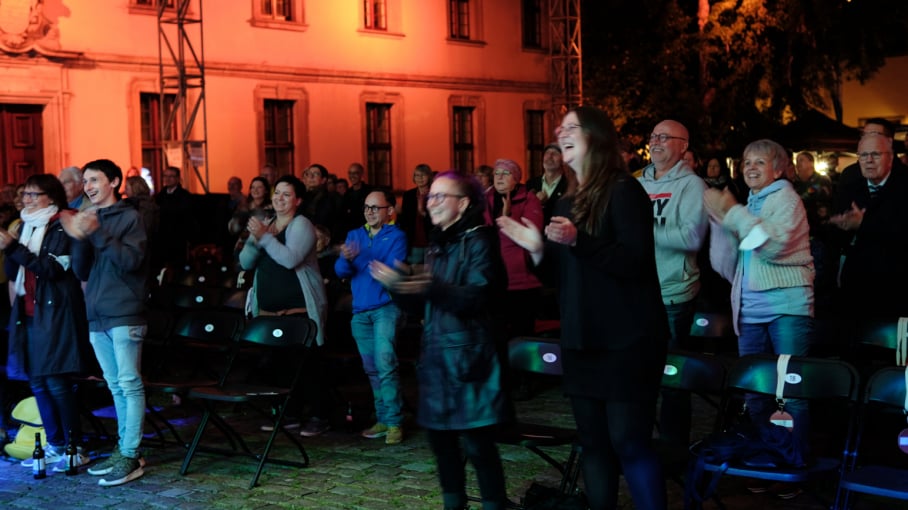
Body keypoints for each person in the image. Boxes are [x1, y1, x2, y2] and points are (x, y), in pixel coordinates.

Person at [497, 106, 670, 510]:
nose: (562, 132)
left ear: (595, 137)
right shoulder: (564, 204)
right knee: (592, 444)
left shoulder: (625, 192)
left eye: (572, 126)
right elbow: (564, 280)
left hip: (627, 340)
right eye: (562, 128)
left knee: (629, 442)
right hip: (582, 339)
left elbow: (636, 262)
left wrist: (580, 242)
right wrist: (539, 249)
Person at [371, 170, 510, 510]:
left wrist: (427, 286)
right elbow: (428, 303)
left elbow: (477, 298)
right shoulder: (438, 243)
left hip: (470, 359)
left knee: (478, 447)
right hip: (437, 357)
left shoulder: (479, 240)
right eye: (429, 197)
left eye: (439, 197)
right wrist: (400, 287)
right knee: (443, 449)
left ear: (463, 204)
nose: (430, 203)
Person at [704, 139, 814, 500]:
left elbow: (774, 246)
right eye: (746, 161)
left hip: (787, 308)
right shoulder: (749, 204)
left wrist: (732, 212)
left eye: (760, 162)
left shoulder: (786, 199)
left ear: (779, 169)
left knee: (791, 395)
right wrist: (719, 222)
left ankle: (793, 468)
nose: (750, 167)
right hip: (750, 310)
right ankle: (770, 460)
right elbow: (726, 265)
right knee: (756, 394)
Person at [61, 158, 149, 486]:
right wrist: (81, 238)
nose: (88, 187)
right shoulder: (92, 218)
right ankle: (126, 449)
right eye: (85, 181)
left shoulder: (130, 217)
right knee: (114, 385)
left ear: (114, 182)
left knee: (129, 382)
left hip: (124, 311)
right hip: (96, 313)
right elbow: (82, 271)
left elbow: (130, 261)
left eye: (95, 180)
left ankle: (131, 453)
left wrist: (97, 233)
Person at [1, 174, 91, 472]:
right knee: (38, 380)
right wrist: (9, 250)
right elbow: (16, 268)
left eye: (32, 195)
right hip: (27, 312)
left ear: (50, 197)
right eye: (24, 194)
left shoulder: (62, 223)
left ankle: (74, 446)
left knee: (55, 380)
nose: (25, 200)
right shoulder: (26, 224)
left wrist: (14, 247)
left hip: (55, 312)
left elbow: (51, 269)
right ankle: (54, 443)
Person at [239, 175, 330, 436]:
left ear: (298, 200)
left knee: (305, 366)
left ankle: (317, 415)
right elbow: (245, 263)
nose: (279, 198)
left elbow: (290, 259)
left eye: (286, 194)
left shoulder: (302, 225)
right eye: (277, 193)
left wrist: (265, 238)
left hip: (300, 311)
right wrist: (255, 239)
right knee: (277, 366)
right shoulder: (267, 224)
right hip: (269, 311)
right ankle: (288, 413)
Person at [638, 120, 708, 448]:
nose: (656, 142)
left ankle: (673, 446)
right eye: (653, 137)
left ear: (683, 145)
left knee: (671, 375)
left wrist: (642, 232)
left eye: (664, 137)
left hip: (672, 292)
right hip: (637, 291)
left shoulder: (692, 185)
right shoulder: (636, 182)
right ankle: (639, 440)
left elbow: (691, 237)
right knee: (638, 373)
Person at [335, 189, 408, 445]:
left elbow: (390, 266)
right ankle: (384, 418)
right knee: (372, 368)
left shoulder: (396, 236)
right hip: (360, 312)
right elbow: (341, 272)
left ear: (390, 210)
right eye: (367, 207)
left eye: (376, 207)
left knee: (386, 363)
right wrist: (345, 259)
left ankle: (395, 421)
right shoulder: (355, 235)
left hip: (385, 308)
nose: (370, 211)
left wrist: (362, 258)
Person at [154, 166, 194, 272]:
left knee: (177, 267)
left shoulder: (184, 196)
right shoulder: (160, 196)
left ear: (177, 178)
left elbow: (188, 218)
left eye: (171, 176)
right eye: (165, 176)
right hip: (162, 237)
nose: (167, 179)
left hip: (178, 236)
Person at [397, 164, 433, 265]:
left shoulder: (435, 194)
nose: (420, 178)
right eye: (417, 175)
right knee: (413, 273)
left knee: (432, 275)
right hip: (413, 243)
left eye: (423, 175)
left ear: (429, 176)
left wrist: (423, 213)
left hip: (430, 243)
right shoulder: (408, 195)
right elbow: (404, 220)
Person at [526, 143, 569, 225]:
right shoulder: (531, 184)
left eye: (555, 153)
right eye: (547, 153)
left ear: (563, 160)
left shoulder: (570, 186)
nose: (550, 156)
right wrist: (535, 203)